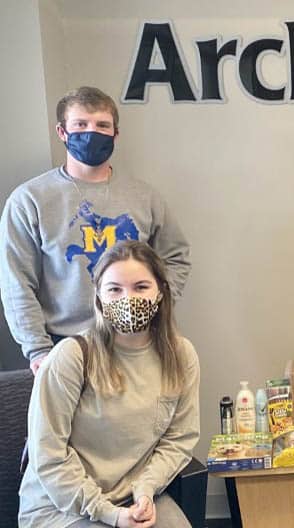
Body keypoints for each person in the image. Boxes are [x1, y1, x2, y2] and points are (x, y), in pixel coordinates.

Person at [0, 86, 191, 375]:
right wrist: (37, 348)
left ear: (116, 133)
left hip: (136, 344)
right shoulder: (29, 200)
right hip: (65, 347)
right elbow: (15, 282)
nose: (92, 133)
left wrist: (155, 307)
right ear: (62, 132)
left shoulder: (145, 197)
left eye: (102, 125)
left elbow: (176, 257)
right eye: (81, 125)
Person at [19, 240, 199, 528]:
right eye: (114, 289)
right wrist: (109, 514)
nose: (127, 299)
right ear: (99, 297)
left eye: (141, 287)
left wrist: (145, 490)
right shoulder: (71, 356)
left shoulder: (181, 355)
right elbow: (48, 456)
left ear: (161, 293)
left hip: (133, 493)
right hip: (61, 504)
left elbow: (179, 439)